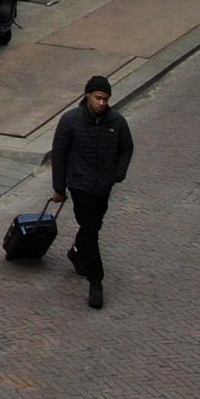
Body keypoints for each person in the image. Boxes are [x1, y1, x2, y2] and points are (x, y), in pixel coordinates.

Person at [51, 74, 134, 309]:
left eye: (106, 99)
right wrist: (59, 188)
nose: (102, 103)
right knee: (90, 228)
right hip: (80, 185)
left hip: (104, 186)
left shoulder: (116, 122)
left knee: (93, 226)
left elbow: (126, 147)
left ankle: (77, 253)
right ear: (87, 95)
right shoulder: (70, 121)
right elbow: (59, 155)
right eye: (98, 98)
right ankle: (96, 281)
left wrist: (118, 173)